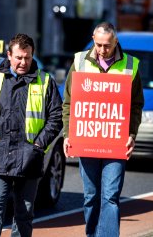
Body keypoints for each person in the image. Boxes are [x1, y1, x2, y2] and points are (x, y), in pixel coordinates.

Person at [0, 33, 63, 237]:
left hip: (29, 157)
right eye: (19, 57)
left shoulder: (45, 82)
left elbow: (56, 117)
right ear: (9, 55)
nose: (23, 62)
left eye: (28, 57)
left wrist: (39, 146)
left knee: (24, 213)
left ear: (33, 56)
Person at [62, 22, 144, 237]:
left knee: (110, 196)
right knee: (91, 196)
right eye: (98, 44)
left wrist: (132, 134)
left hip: (116, 141)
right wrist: (68, 134)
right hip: (86, 139)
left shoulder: (130, 65)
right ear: (93, 38)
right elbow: (69, 103)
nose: (102, 50)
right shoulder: (79, 61)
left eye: (107, 45)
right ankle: (92, 234)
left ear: (115, 41)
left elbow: (136, 106)